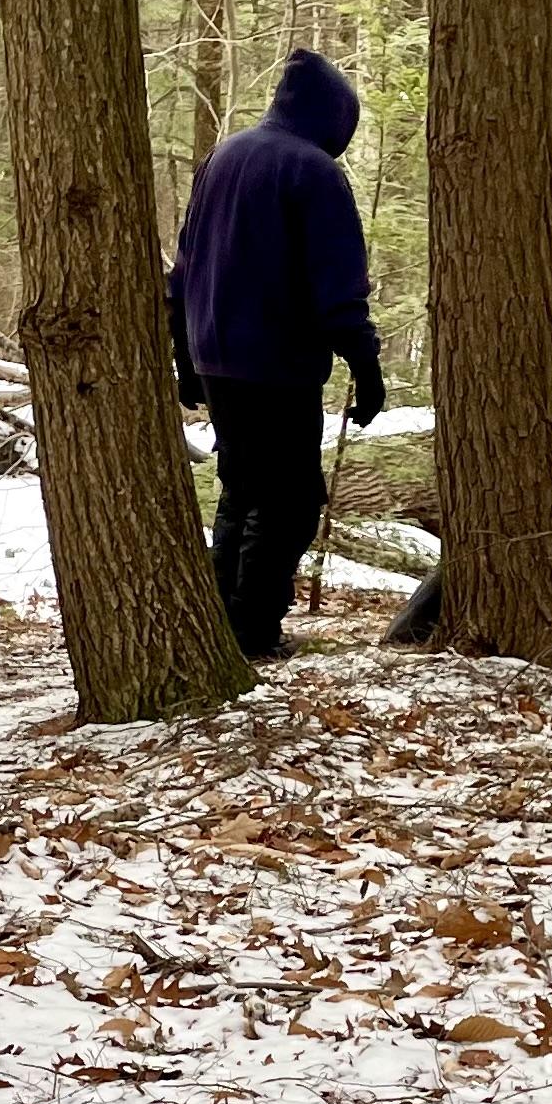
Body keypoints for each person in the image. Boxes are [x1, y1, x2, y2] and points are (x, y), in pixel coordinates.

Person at [169, 50, 384, 658]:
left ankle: (221, 621)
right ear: (332, 117)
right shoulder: (312, 171)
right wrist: (366, 368)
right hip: (275, 363)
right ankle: (250, 631)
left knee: (244, 488)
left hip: (216, 355)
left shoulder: (224, 156)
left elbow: (183, 271)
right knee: (288, 503)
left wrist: (187, 359)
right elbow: (337, 288)